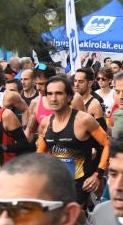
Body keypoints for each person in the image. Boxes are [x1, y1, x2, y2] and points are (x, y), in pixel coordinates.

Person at [37, 75, 111, 207]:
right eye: (50, 94)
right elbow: (40, 154)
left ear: (69, 97)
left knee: (68, 216)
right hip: (57, 182)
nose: (53, 98)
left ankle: (86, 224)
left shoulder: (84, 120)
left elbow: (107, 144)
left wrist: (97, 175)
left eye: (59, 93)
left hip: (80, 184)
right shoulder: (45, 122)